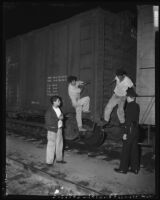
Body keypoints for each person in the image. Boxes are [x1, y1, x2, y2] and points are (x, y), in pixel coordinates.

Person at [114, 87, 140, 174]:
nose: (126, 98)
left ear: (129, 97)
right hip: (136, 129)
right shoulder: (137, 105)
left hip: (129, 129)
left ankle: (123, 169)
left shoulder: (129, 106)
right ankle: (135, 168)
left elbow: (128, 121)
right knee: (134, 149)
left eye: (126, 97)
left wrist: (125, 133)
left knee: (125, 149)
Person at [45, 95, 66, 166]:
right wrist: (58, 119)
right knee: (51, 145)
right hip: (52, 130)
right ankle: (49, 162)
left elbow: (61, 116)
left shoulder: (58, 109)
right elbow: (48, 122)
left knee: (59, 144)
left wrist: (62, 117)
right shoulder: (49, 111)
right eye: (58, 101)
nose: (60, 102)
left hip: (59, 129)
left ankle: (59, 159)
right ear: (54, 102)